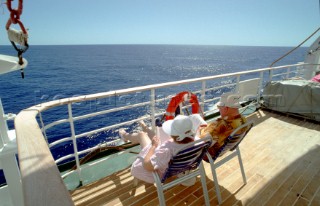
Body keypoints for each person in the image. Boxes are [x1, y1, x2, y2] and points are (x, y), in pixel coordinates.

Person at [119, 115, 196, 185]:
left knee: (141, 135)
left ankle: (125, 136)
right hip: (177, 166)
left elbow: (147, 166)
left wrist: (153, 146)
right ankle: (144, 126)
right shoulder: (197, 142)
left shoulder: (167, 149)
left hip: (159, 173)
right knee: (156, 137)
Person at [198, 93, 248, 159]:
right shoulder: (243, 120)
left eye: (219, 107)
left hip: (209, 153)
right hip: (225, 148)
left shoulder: (221, 125)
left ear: (226, 108)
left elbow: (200, 143)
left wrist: (199, 128)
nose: (219, 109)